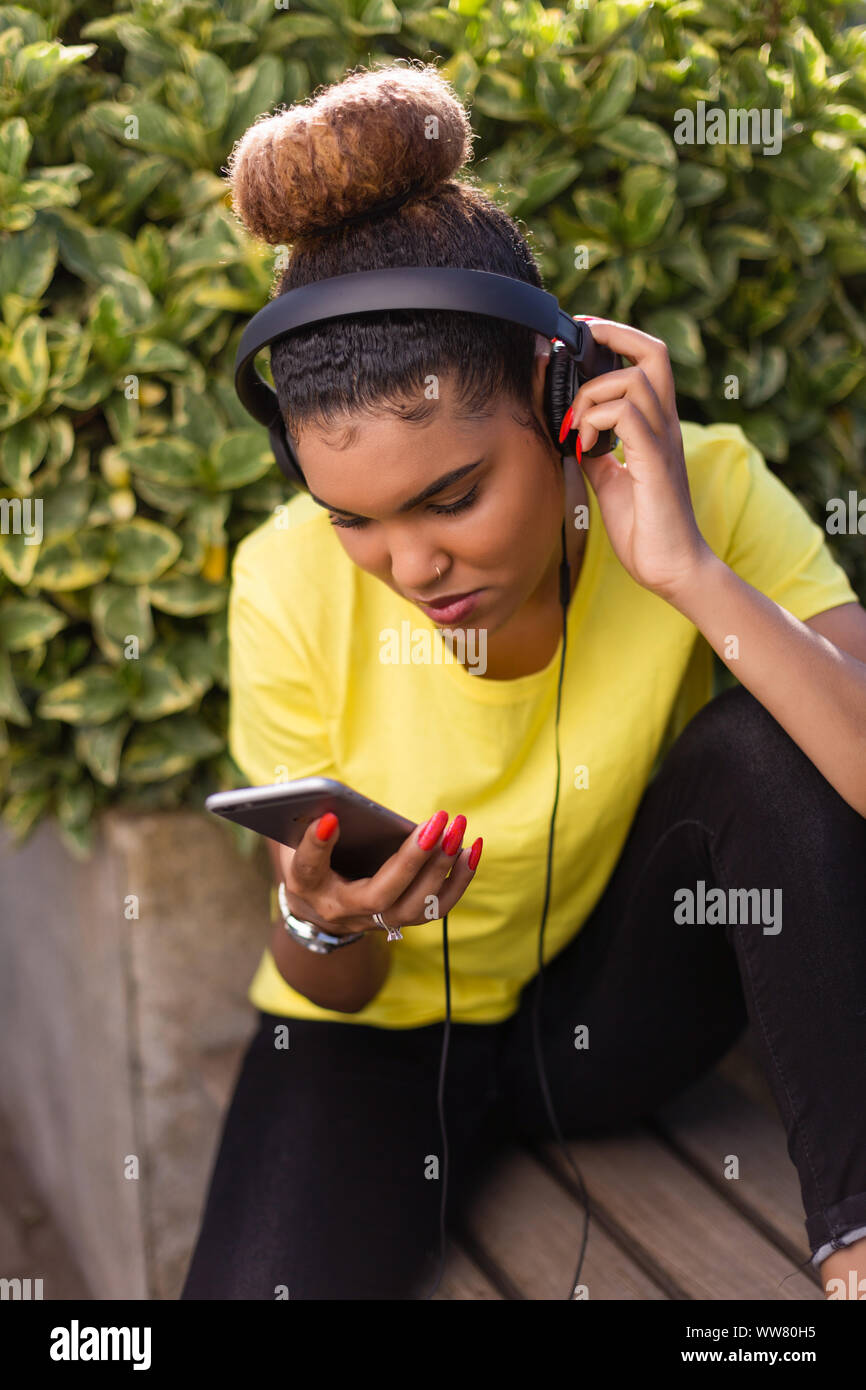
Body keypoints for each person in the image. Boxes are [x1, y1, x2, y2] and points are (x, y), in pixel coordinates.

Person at [180, 62, 866, 1301]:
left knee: (768, 739)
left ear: (561, 404)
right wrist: (326, 922)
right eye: (355, 518)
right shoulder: (283, 582)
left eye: (450, 497)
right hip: (375, 1043)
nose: (411, 563)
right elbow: (331, 975)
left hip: (613, 1023)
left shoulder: (696, 488)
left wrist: (688, 573)